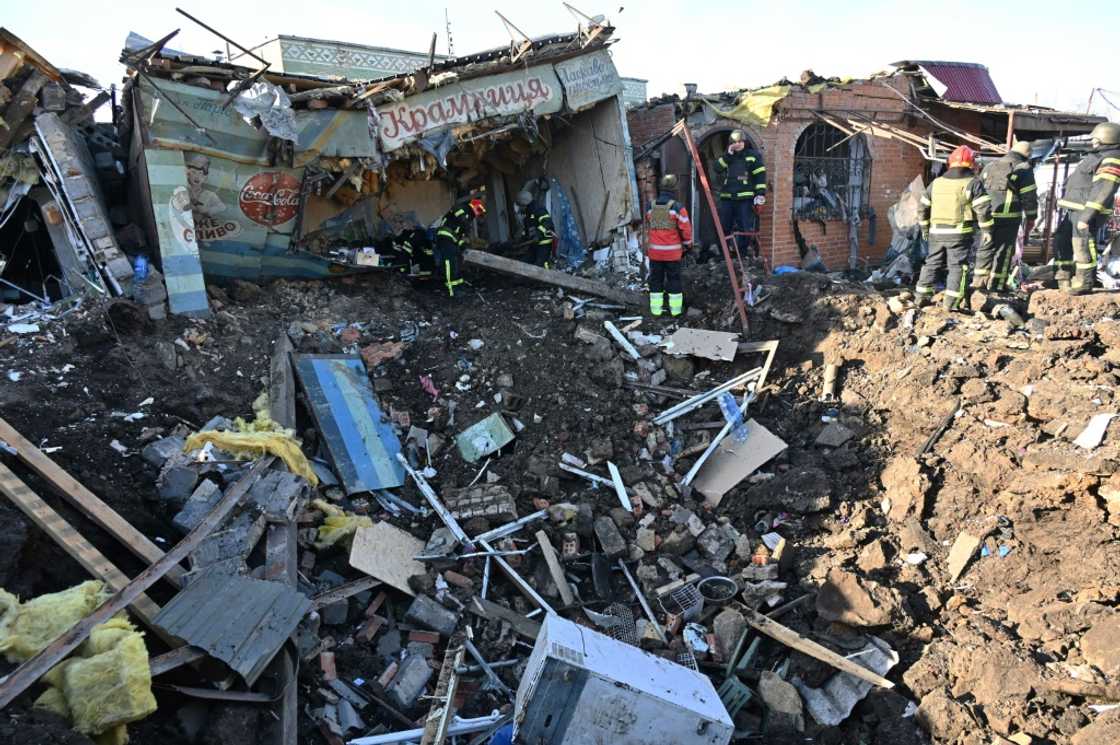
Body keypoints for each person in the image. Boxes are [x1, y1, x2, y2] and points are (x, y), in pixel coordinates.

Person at [916, 145, 994, 311]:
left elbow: (922, 208)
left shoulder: (936, 183)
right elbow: (983, 209)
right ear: (972, 163)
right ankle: (951, 303)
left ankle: (921, 297)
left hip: (936, 232)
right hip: (959, 233)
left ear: (950, 163)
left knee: (932, 263)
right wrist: (987, 230)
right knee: (958, 266)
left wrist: (924, 229)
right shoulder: (973, 183)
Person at [1054, 121, 1120, 294]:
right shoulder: (1096, 156)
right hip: (1075, 208)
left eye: (1096, 138)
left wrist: (1087, 216)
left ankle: (1084, 282)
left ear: (1106, 138)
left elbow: (1104, 189)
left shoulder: (1111, 158)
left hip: (1086, 211)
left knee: (1082, 243)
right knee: (1062, 239)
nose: (1093, 141)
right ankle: (1063, 277)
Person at [976, 140, 1038, 292]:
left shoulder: (990, 166)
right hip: (1008, 216)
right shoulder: (1024, 168)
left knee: (985, 248)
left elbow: (977, 189)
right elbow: (1029, 197)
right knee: (1004, 251)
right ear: (1028, 155)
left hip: (987, 215)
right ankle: (996, 286)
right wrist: (1031, 217)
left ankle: (979, 283)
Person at [711, 129, 767, 261]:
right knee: (724, 226)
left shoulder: (753, 156)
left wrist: (760, 196)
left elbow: (760, 176)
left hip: (745, 199)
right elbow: (717, 168)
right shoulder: (727, 157)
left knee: (745, 227)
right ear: (731, 143)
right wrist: (728, 154)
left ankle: (741, 254)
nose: (738, 144)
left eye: (740, 141)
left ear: (745, 142)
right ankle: (724, 253)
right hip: (727, 198)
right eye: (735, 142)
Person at [645, 174, 693, 316]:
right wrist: (688, 245)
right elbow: (686, 230)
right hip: (672, 254)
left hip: (655, 254)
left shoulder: (650, 207)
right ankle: (676, 311)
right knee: (674, 280)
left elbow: (652, 225)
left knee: (656, 280)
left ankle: (656, 310)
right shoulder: (678, 208)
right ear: (674, 189)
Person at [433, 197, 485, 297]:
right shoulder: (464, 209)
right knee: (449, 263)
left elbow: (458, 236)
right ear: (474, 206)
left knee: (457, 262)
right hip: (445, 237)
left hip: (452, 240)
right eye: (479, 210)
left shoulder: (467, 218)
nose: (478, 214)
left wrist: (463, 245)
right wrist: (464, 220)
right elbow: (456, 209)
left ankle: (458, 285)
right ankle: (452, 290)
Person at [516, 190, 556, 268]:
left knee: (541, 264)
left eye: (520, 205)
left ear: (524, 204)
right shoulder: (529, 212)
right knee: (525, 262)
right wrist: (521, 239)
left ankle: (546, 278)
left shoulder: (538, 209)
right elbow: (529, 228)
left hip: (544, 243)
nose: (519, 208)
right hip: (534, 243)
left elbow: (547, 222)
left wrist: (538, 234)